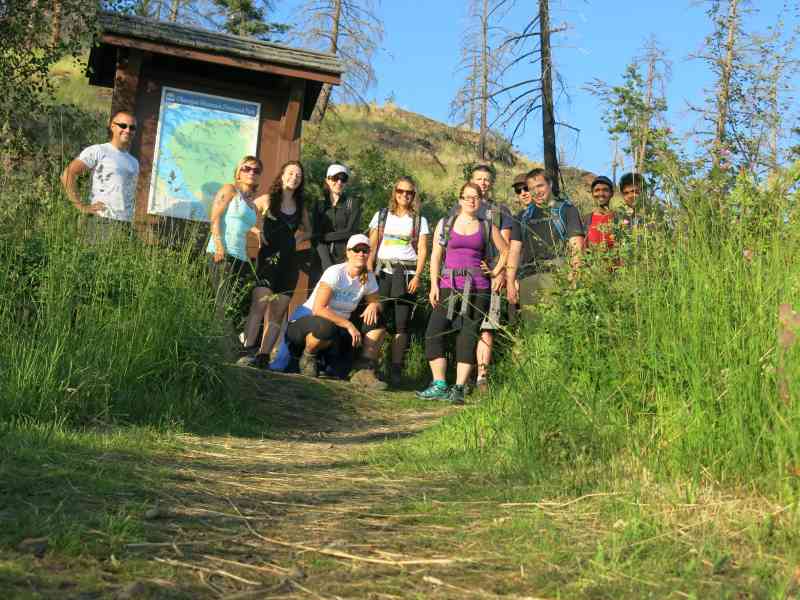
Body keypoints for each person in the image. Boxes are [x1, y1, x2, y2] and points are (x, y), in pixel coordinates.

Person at [417, 183, 508, 405]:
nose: (471, 201)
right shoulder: (446, 224)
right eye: (467, 197)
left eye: (475, 197)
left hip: (478, 287)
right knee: (434, 332)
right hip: (449, 284)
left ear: (481, 201)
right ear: (460, 200)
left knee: (468, 335)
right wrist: (434, 285)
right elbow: (436, 255)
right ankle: (439, 384)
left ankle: (458, 387)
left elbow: (506, 250)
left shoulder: (487, 226)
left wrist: (495, 271)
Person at [286, 234, 387, 389]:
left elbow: (376, 301)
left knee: (377, 319)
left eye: (365, 250)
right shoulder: (335, 272)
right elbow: (318, 309)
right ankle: (308, 356)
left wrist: (374, 305)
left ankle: (364, 369)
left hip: (338, 327)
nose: (361, 254)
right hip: (309, 321)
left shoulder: (369, 277)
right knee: (326, 327)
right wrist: (348, 325)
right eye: (356, 250)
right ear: (348, 252)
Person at [239, 161, 312, 367]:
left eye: (298, 175)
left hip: (289, 265)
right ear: (282, 175)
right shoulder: (267, 199)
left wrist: (299, 238)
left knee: (277, 314)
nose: (294, 177)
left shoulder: (300, 207)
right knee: (259, 304)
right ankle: (247, 351)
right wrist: (257, 230)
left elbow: (309, 230)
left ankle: (263, 357)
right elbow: (245, 215)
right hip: (268, 260)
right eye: (291, 173)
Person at [367, 176, 430, 387]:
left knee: (401, 323)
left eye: (409, 192)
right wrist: (368, 271)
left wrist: (418, 276)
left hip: (406, 275)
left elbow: (422, 250)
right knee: (377, 318)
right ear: (394, 192)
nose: (404, 195)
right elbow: (372, 245)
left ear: (414, 195)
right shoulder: (381, 215)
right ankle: (369, 366)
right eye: (400, 191)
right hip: (382, 273)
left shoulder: (419, 220)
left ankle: (395, 369)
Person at [506, 168, 584, 320]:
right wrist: (510, 282)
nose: (536, 192)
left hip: (557, 275)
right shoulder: (522, 216)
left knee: (557, 324)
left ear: (550, 184)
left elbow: (577, 245)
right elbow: (514, 251)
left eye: (540, 186)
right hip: (528, 278)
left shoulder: (566, 209)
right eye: (532, 188)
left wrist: (575, 273)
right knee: (533, 328)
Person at [61, 110, 140, 241]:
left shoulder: (134, 162)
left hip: (125, 224)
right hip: (101, 222)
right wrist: (80, 206)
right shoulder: (98, 150)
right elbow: (68, 174)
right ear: (112, 126)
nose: (127, 130)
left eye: (132, 128)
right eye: (123, 125)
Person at [469, 165, 513, 393]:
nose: (483, 183)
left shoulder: (500, 210)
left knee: (487, 326)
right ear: (471, 181)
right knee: (465, 325)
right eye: (479, 178)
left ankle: (482, 377)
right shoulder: (460, 207)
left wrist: (499, 272)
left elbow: (505, 246)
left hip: (491, 276)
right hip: (464, 276)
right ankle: (462, 376)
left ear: (491, 183)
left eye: (486, 179)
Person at [205, 155, 261, 327]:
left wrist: (257, 231)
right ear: (238, 172)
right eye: (247, 168)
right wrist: (219, 246)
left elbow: (240, 223)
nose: (251, 172)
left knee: (235, 306)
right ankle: (221, 342)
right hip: (222, 254)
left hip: (241, 258)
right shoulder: (229, 190)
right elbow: (215, 217)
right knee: (223, 304)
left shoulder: (252, 205)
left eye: (256, 170)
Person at [314, 164, 362, 271]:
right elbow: (316, 235)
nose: (339, 182)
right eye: (335, 178)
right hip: (322, 260)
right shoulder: (320, 203)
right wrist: (326, 263)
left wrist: (325, 237)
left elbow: (351, 232)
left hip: (345, 259)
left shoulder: (352, 203)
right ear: (327, 180)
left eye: (343, 179)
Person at [583, 176, 617, 250]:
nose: (601, 193)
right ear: (592, 194)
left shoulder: (619, 219)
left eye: (605, 190)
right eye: (597, 190)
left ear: (612, 194)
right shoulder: (585, 220)